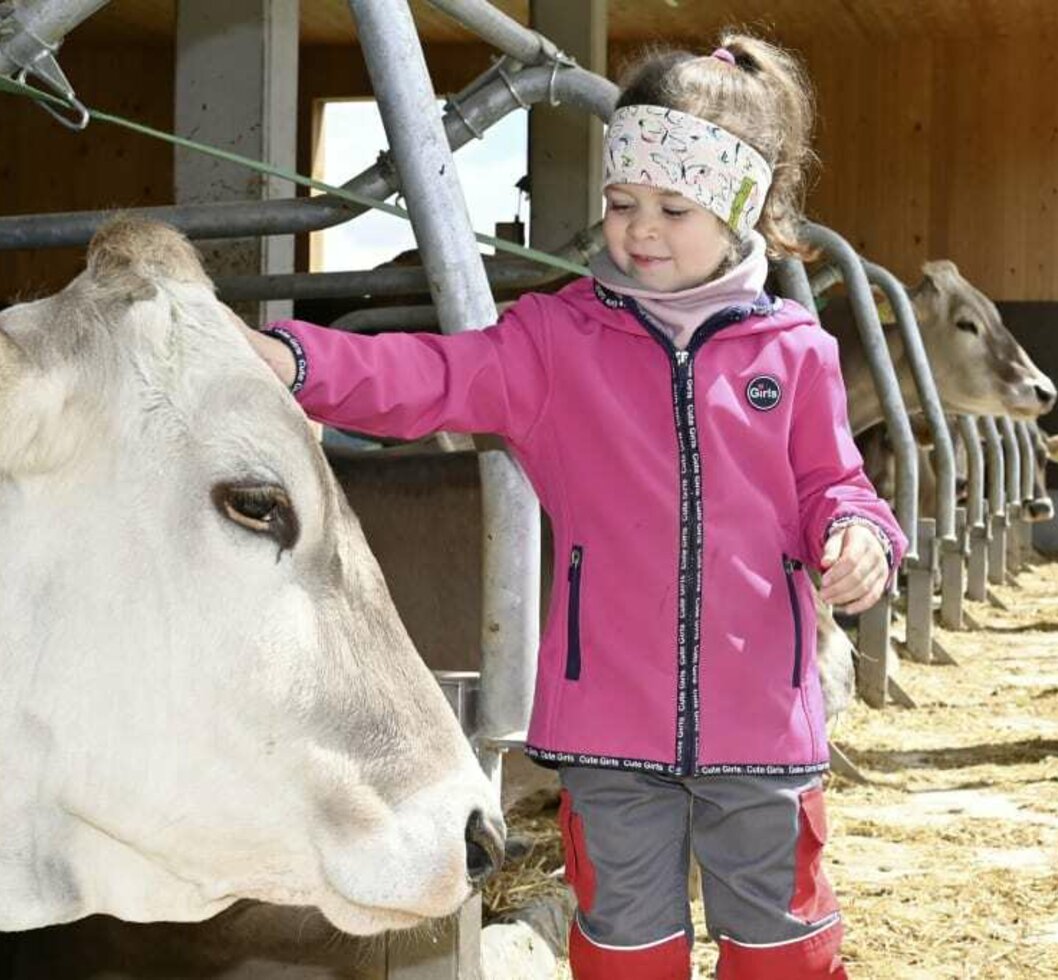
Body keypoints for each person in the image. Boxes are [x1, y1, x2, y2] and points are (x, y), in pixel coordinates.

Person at [236, 32, 905, 980]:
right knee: (626, 952)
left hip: (763, 722)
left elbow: (833, 486)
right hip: (607, 729)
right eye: (622, 202)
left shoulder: (794, 352)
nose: (640, 229)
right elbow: (429, 373)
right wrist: (301, 361)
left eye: (675, 208)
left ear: (740, 208)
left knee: (785, 953)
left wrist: (858, 535)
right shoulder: (557, 340)